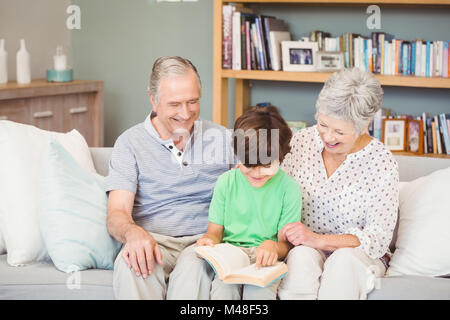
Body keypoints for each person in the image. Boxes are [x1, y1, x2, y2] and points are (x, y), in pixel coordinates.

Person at [106, 56, 234, 299]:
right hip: (154, 242)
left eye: (193, 102)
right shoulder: (129, 143)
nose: (186, 114)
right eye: (175, 104)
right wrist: (132, 233)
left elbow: (257, 183)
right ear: (153, 100)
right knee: (131, 265)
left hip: (205, 241)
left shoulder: (222, 138)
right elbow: (116, 214)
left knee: (195, 268)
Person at [278, 67, 399, 300]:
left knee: (343, 261)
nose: (328, 137)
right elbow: (277, 192)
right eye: (323, 125)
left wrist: (320, 239)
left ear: (364, 126)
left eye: (339, 131)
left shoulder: (381, 161)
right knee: (301, 257)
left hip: (357, 255)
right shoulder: (301, 142)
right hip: (306, 248)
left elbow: (378, 236)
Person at [196, 106, 302, 300]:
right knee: (223, 292)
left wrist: (273, 246)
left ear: (281, 157)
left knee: (260, 295)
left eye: (266, 166)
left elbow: (284, 245)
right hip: (230, 256)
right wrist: (209, 240)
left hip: (266, 259)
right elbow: (214, 231)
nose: (257, 173)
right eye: (248, 166)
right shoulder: (226, 182)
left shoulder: (289, 188)